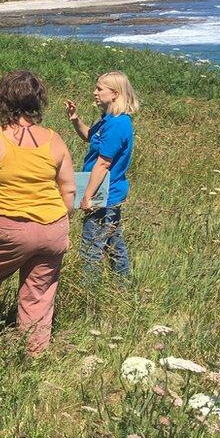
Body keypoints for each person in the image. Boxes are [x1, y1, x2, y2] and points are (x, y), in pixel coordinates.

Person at [0, 70, 75, 355]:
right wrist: (58, 220)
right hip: (54, 227)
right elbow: (69, 189)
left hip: (10, 226)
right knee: (39, 296)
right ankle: (33, 356)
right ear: (38, 102)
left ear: (2, 101)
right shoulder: (55, 140)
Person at [65, 71, 139, 282]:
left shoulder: (118, 124)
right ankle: (122, 285)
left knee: (91, 249)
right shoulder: (108, 119)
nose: (95, 92)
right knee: (114, 244)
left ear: (114, 94)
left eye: (100, 89)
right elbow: (90, 137)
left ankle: (90, 294)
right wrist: (75, 119)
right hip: (106, 193)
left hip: (104, 194)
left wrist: (87, 196)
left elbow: (103, 163)